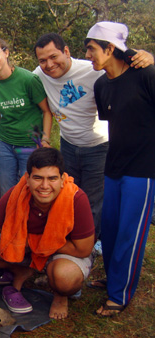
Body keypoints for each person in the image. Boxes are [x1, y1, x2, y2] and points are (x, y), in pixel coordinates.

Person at [0, 148, 95, 320]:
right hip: (29, 248)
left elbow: (83, 249)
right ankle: (22, 271)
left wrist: (38, 243)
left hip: (63, 252)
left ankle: (60, 296)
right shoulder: (16, 194)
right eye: (38, 178)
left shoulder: (76, 198)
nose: (45, 186)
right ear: (27, 178)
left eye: (52, 178)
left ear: (62, 180)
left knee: (65, 278)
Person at [33, 33, 154, 240]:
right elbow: (16, 80)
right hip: (68, 145)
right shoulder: (38, 75)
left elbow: (124, 69)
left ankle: (92, 242)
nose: (49, 64)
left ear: (67, 51)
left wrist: (147, 58)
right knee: (69, 194)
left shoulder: (93, 70)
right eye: (43, 60)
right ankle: (71, 234)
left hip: (99, 146)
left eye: (54, 57)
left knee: (94, 200)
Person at [84, 21, 155, 317]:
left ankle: (119, 294)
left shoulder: (146, 75)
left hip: (144, 169)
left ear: (110, 48)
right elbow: (112, 122)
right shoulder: (102, 85)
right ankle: (114, 277)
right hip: (113, 166)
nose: (87, 55)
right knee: (110, 231)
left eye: (91, 49)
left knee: (130, 233)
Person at [0, 35, 53, 197]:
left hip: (30, 144)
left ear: (6, 53)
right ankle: (11, 222)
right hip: (4, 145)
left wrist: (45, 139)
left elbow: (47, 112)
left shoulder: (28, 80)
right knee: (7, 192)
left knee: (30, 190)